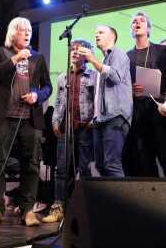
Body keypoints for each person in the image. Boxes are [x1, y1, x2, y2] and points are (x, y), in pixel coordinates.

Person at [0, 17, 52, 227]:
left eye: (30, 31)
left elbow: (47, 86)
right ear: (13, 33)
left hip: (30, 119)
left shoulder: (38, 58)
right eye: (23, 30)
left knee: (31, 166)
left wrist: (37, 96)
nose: (27, 34)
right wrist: (15, 59)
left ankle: (28, 210)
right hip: (4, 117)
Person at [42, 38, 97, 223]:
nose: (74, 52)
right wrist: (55, 122)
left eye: (79, 49)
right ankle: (58, 207)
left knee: (85, 170)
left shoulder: (93, 75)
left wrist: (93, 121)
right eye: (72, 49)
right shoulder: (62, 76)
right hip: (65, 130)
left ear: (86, 55)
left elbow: (98, 100)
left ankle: (87, 207)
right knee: (61, 171)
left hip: (84, 128)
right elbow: (58, 102)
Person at [78, 25, 133, 177]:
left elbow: (115, 76)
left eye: (101, 32)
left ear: (111, 37)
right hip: (100, 119)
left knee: (112, 163)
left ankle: (121, 201)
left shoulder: (118, 54)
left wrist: (91, 59)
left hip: (115, 115)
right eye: (95, 32)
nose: (96, 35)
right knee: (101, 166)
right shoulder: (102, 60)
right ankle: (109, 200)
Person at [122, 12, 166, 176]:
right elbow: (122, 85)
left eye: (141, 21)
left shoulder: (162, 51)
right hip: (138, 112)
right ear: (132, 30)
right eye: (134, 21)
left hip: (160, 109)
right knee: (144, 160)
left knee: (164, 153)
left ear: (148, 28)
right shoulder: (126, 57)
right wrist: (130, 90)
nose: (137, 23)